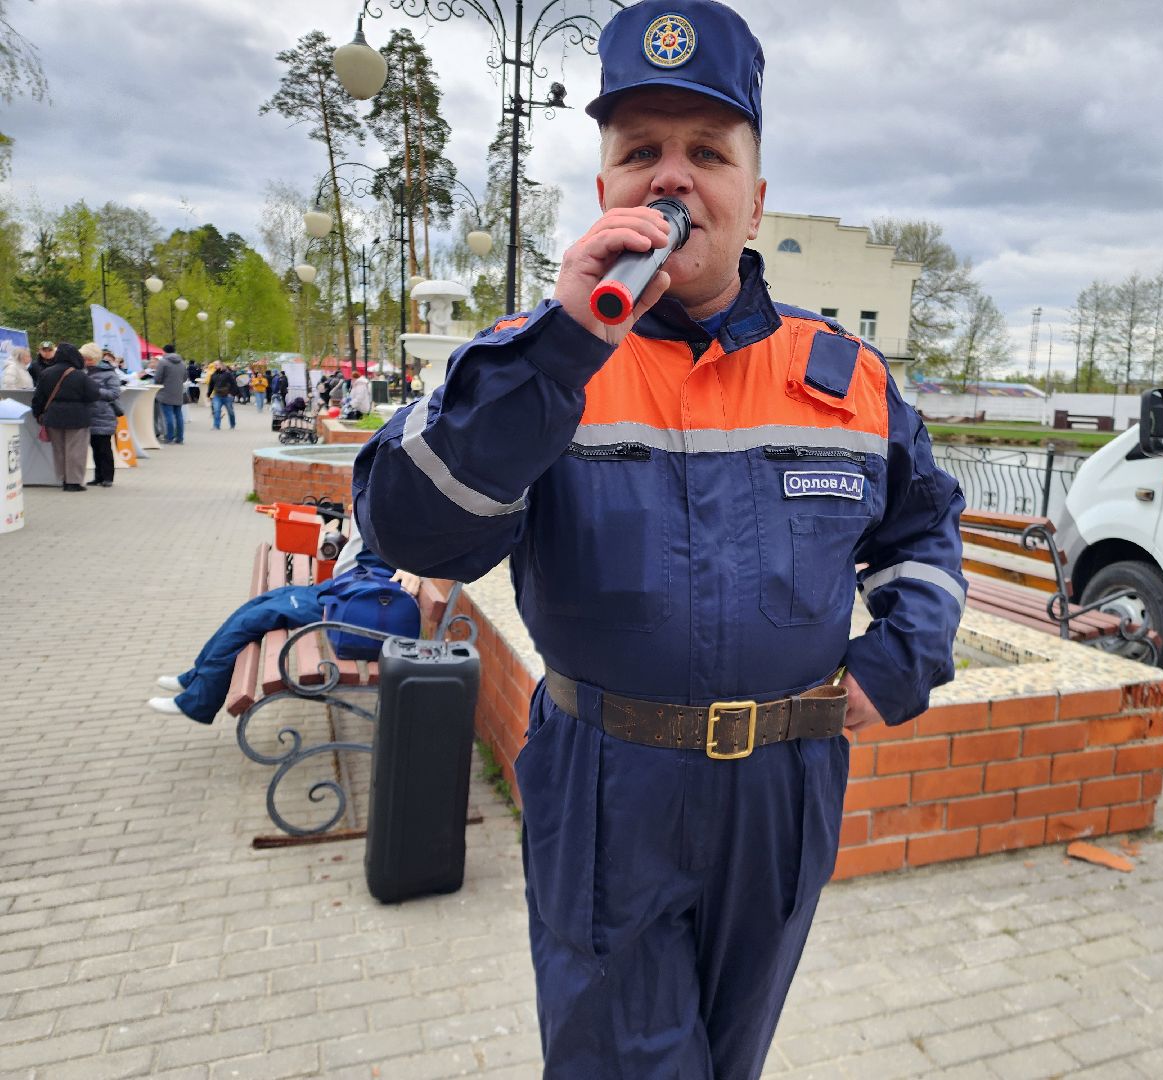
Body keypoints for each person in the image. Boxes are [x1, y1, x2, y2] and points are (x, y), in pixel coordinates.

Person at [352, 2, 966, 1075]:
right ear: (605, 193)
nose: (672, 179)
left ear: (755, 198)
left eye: (707, 153)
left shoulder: (845, 377)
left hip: (784, 789)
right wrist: (560, 351)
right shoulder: (534, 362)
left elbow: (923, 528)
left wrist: (900, 659)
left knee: (733, 1053)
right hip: (607, 784)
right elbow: (413, 529)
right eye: (641, 152)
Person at [147, 535, 415, 723]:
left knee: (254, 618)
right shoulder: (381, 496)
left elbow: (417, 553)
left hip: (351, 604)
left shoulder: (397, 504)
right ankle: (196, 677)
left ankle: (197, 702)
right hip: (345, 588)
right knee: (258, 605)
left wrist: (414, 572)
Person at [32, 343, 100, 491]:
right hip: (77, 416)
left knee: (59, 450)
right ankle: (73, 482)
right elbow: (94, 394)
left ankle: (63, 479)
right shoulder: (79, 375)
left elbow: (38, 397)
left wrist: (37, 414)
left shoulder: (46, 373)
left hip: (53, 416)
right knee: (76, 450)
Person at [81, 342, 122, 488]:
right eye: (84, 358)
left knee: (104, 448)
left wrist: (96, 391)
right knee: (95, 448)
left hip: (103, 415)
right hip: (89, 415)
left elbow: (114, 393)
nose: (86, 362)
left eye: (89, 359)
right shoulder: (83, 372)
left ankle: (108, 477)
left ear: (96, 358)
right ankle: (98, 477)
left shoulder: (109, 373)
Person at [153, 344, 188, 445]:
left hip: (165, 393)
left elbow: (157, 378)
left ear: (164, 351)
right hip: (178, 393)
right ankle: (180, 438)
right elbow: (185, 378)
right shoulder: (182, 363)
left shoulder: (163, 362)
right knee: (179, 416)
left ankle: (169, 437)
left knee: (168, 416)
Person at [208, 361, 238, 429]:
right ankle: (216, 426)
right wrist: (208, 395)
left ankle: (232, 424)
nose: (215, 366)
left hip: (227, 396)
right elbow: (211, 386)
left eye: (216, 365)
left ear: (221, 365)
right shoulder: (213, 375)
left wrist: (232, 394)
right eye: (214, 365)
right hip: (217, 396)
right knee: (216, 410)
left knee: (230, 411)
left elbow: (234, 384)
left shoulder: (228, 374)